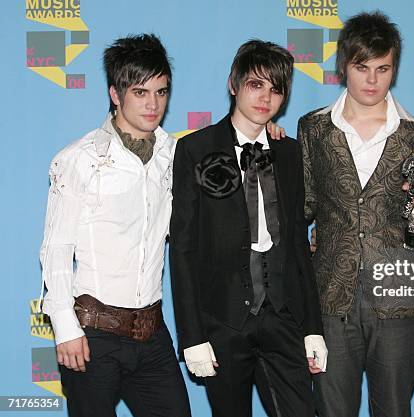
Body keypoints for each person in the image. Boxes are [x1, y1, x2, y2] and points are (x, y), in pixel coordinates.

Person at [296, 11, 414, 417]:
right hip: (331, 299)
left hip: (400, 301)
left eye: (382, 69)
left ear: (394, 70)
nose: (371, 80)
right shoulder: (313, 130)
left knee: (395, 410)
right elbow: (303, 207)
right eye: (361, 67)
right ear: (343, 66)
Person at [169, 39, 327, 417]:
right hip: (223, 322)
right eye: (256, 85)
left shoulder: (289, 153)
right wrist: (193, 337)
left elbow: (297, 244)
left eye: (275, 89)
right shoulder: (195, 148)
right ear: (233, 84)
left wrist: (312, 327)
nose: (265, 98)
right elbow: (183, 249)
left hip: (283, 317)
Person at [39, 34, 191, 417]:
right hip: (92, 334)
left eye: (161, 91)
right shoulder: (78, 159)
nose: (153, 103)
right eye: (140, 92)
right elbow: (56, 248)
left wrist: (266, 131)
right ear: (115, 93)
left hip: (153, 334)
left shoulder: (177, 156)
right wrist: (64, 326)